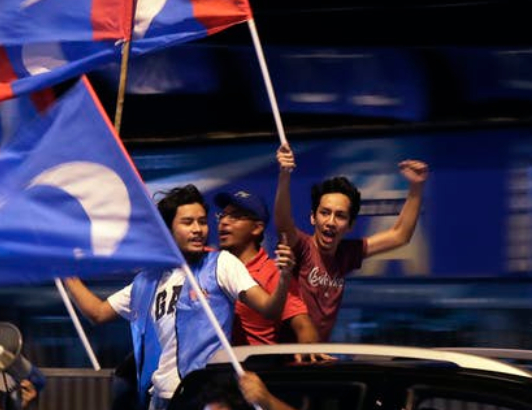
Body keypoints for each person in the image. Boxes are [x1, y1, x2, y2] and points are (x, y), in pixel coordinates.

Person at [63, 184, 296, 410]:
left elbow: (269, 308)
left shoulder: (221, 264)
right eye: (188, 222)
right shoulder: (147, 281)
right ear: (168, 230)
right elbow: (98, 312)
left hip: (206, 397)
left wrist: (284, 279)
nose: (198, 229)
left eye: (203, 222)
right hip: (159, 398)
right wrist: (65, 274)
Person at [273, 142, 429, 342]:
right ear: (313, 217)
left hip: (318, 359)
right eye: (324, 213)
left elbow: (400, 235)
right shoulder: (302, 247)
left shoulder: (347, 253)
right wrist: (284, 175)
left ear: (350, 225)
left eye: (340, 216)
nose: (330, 222)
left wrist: (416, 187)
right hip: (287, 358)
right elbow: (283, 223)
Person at [213, 188, 319, 347]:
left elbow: (303, 325)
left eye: (235, 216)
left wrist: (311, 355)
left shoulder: (275, 274)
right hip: (212, 367)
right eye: (222, 216)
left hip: (257, 367)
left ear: (256, 228)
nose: (224, 222)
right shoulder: (208, 264)